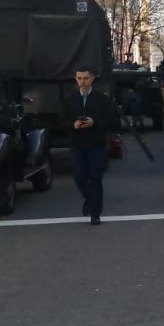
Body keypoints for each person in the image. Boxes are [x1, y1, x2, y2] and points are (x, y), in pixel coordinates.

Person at [61, 69, 118, 225]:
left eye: (86, 78)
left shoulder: (102, 99)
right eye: (79, 78)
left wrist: (95, 122)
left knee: (95, 177)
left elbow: (112, 121)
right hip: (77, 144)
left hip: (96, 144)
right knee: (79, 177)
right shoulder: (70, 99)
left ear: (92, 79)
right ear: (76, 79)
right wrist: (73, 124)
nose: (82, 81)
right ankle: (89, 199)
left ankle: (95, 213)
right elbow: (62, 121)